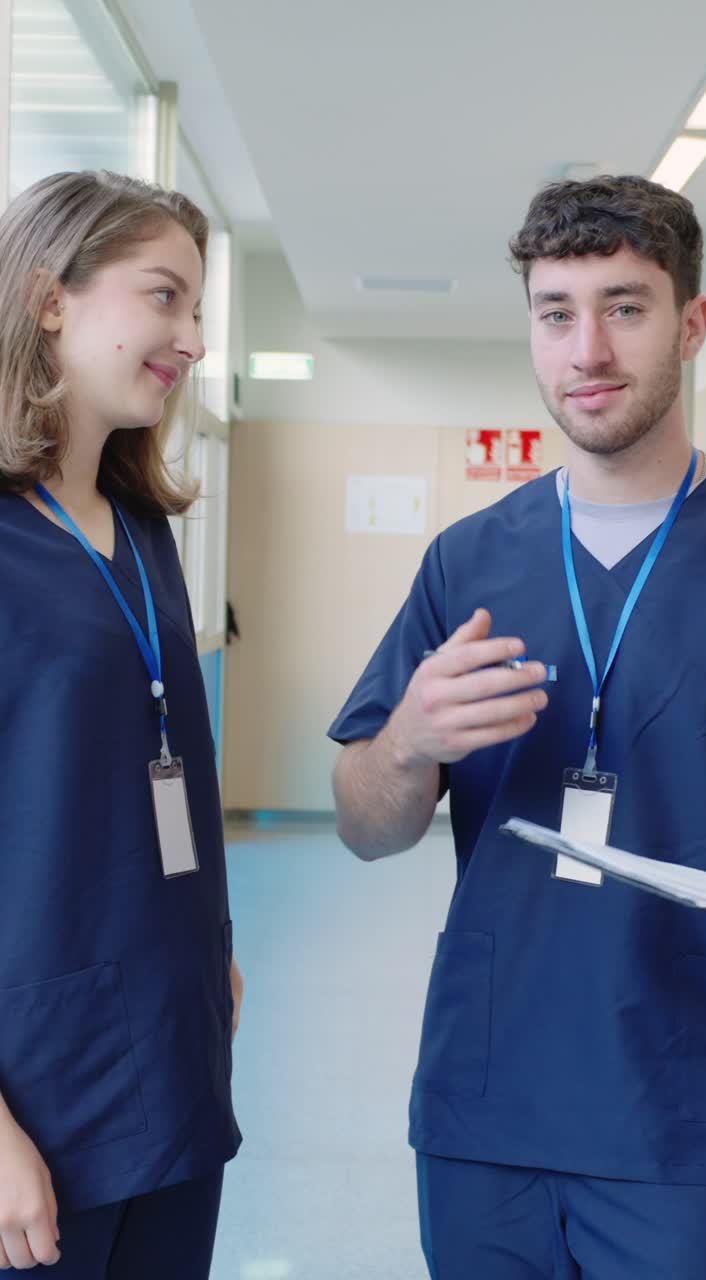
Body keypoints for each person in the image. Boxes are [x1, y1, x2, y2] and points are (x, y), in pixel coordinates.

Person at [329, 175, 706, 1279]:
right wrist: (406, 739)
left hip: (686, 1116)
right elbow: (366, 825)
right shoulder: (468, 561)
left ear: (693, 322)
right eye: (556, 311)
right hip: (488, 1105)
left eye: (626, 305)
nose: (587, 346)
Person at [0, 170, 242, 1276]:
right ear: (51, 298)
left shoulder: (143, 531)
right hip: (36, 1090)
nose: (190, 339)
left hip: (170, 1052)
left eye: (196, 310)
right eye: (164, 297)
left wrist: (211, 948)